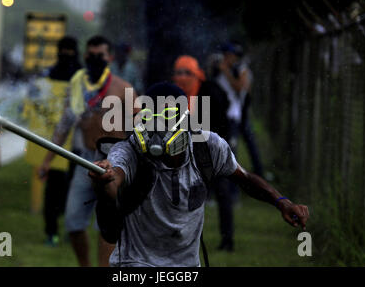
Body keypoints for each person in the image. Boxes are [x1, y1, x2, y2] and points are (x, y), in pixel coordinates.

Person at [89, 82, 309, 267]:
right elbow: (115, 177)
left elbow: (245, 179)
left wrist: (281, 202)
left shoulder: (208, 146)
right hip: (135, 263)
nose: (158, 128)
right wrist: (105, 181)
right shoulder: (129, 150)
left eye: (168, 118)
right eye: (151, 119)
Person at [39, 35, 138, 266]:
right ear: (85, 56)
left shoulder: (124, 88)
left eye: (100, 56)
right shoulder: (77, 87)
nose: (95, 60)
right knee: (73, 221)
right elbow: (64, 126)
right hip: (85, 159)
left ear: (110, 57)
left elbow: (139, 126)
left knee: (108, 224)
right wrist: (47, 161)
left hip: (115, 161)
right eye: (91, 55)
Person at [172, 55, 236, 252]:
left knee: (223, 193)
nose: (182, 78)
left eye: (187, 73)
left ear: (197, 74)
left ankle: (227, 240)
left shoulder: (211, 92)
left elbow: (222, 126)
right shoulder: (173, 95)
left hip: (212, 151)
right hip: (184, 154)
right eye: (178, 73)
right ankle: (178, 239)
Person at [22, 36, 82, 246]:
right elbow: (31, 103)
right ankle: (52, 232)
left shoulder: (83, 79)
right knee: (54, 192)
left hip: (77, 147)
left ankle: (70, 229)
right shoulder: (46, 78)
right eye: (63, 51)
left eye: (69, 51)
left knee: (70, 194)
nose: (66, 55)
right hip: (53, 144)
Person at [218, 41, 264, 177]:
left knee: (241, 143)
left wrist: (225, 70)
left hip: (239, 113)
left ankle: (256, 173)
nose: (228, 59)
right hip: (228, 113)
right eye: (226, 56)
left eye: (230, 55)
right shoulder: (223, 69)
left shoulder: (239, 69)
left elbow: (240, 87)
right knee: (231, 144)